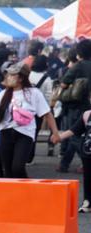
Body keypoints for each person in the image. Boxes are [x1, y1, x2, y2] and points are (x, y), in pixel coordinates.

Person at [0, 63, 60, 178]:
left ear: (21, 78)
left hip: (25, 134)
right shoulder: (3, 93)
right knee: (8, 170)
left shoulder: (34, 93)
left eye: (11, 75)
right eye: (7, 75)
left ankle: (27, 191)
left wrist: (55, 133)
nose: (7, 77)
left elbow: (47, 113)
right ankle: (13, 194)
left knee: (18, 167)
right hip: (5, 133)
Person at [57, 39, 91, 172]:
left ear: (79, 52)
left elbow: (64, 84)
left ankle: (83, 163)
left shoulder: (78, 66)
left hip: (77, 106)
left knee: (75, 135)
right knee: (82, 135)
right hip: (89, 105)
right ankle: (64, 164)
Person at [49, 107, 91, 211]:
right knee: (88, 178)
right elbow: (74, 129)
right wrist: (59, 137)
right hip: (88, 151)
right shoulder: (87, 114)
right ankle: (87, 202)